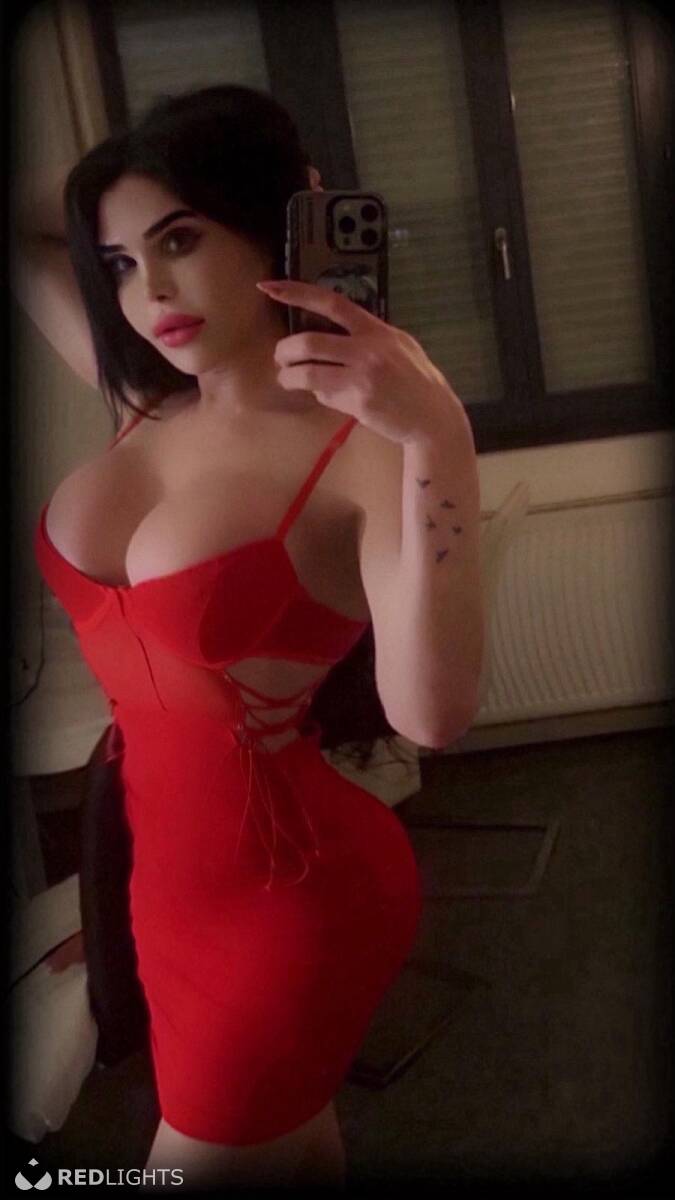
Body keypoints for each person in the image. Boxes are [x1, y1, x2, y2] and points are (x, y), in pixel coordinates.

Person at [13, 85, 484, 1189]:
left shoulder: (360, 445)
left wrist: (439, 439)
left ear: (273, 230)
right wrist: (131, 166)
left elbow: (431, 717)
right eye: (119, 261)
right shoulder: (144, 402)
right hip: (163, 879)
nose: (149, 291)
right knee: (289, 1149)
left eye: (180, 239)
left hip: (290, 899)